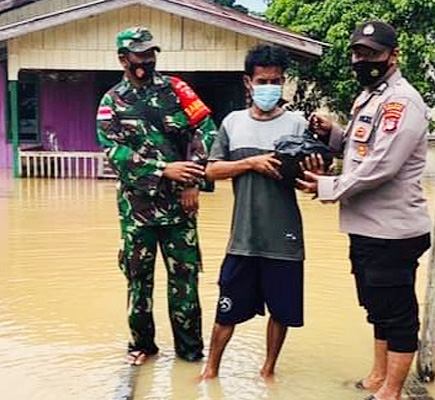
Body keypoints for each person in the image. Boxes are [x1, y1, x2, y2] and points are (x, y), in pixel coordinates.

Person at [297, 21, 432, 400]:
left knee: (397, 313)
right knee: (377, 307)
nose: (362, 60)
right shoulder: (368, 97)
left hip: (393, 230)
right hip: (368, 227)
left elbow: (383, 166)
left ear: (393, 55)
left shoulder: (401, 102)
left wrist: (328, 187)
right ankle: (377, 376)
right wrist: (334, 134)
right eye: (358, 53)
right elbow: (362, 150)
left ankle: (391, 391)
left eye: (371, 54)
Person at [96, 26, 217, 366]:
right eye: (140, 55)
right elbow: (113, 153)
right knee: (138, 281)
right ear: (123, 59)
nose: (147, 61)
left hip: (181, 206)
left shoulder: (178, 91)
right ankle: (142, 347)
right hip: (137, 211)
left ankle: (191, 354)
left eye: (151, 54)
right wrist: (163, 169)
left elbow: (205, 132)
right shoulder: (111, 103)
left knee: (186, 282)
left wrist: (193, 180)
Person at [200, 44, 308, 381]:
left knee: (282, 311)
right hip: (243, 238)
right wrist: (251, 163)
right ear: (248, 82)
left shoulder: (297, 124)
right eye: (262, 81)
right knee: (226, 310)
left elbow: (311, 178)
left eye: (275, 81)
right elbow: (211, 170)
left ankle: (268, 371)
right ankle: (210, 372)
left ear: (283, 82)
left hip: (285, 237)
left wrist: (311, 171)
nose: (268, 88)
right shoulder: (233, 123)